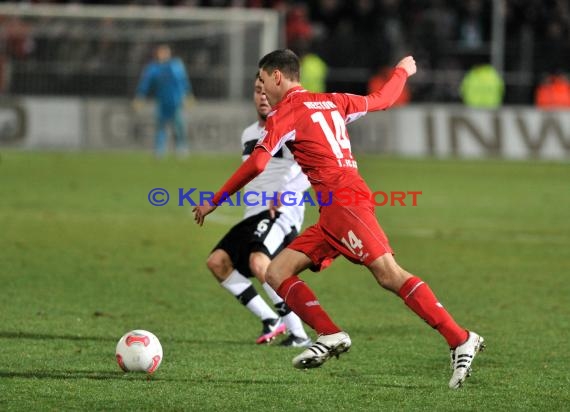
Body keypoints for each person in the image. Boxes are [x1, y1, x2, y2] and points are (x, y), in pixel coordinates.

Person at [193, 49, 484, 390]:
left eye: (261, 81)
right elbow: (384, 99)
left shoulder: (283, 114)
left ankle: (460, 338)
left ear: (277, 77)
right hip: (333, 209)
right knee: (276, 272)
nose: (260, 89)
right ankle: (329, 334)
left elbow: (257, 165)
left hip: (346, 205)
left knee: (389, 274)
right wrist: (402, 71)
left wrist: (214, 200)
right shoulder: (334, 100)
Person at [205, 74, 312, 348]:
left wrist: (285, 194)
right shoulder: (249, 133)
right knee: (218, 262)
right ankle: (270, 320)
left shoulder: (290, 128)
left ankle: (298, 333)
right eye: (256, 91)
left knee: (260, 263)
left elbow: (310, 173)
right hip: (253, 216)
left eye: (266, 91)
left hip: (281, 214)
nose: (262, 96)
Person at [134, 44, 194, 157]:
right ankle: (160, 149)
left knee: (178, 126)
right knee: (161, 126)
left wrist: (188, 95)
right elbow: (145, 83)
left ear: (169, 54)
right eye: (161, 53)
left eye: (165, 52)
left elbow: (182, 81)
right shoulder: (153, 68)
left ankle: (181, 148)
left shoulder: (175, 66)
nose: (163, 55)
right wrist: (140, 96)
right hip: (162, 102)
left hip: (176, 102)